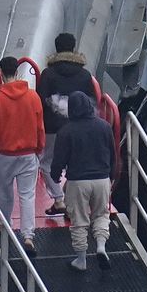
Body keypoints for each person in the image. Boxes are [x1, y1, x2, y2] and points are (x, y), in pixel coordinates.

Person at [0, 56, 45, 256]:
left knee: (4, 193)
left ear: (1, 73)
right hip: (28, 153)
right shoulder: (33, 97)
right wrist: (39, 148)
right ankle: (28, 236)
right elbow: (39, 127)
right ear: (18, 72)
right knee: (27, 195)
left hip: (4, 154)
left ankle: (5, 224)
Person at [50, 90, 115, 271]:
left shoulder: (66, 131)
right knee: (101, 214)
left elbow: (59, 159)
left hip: (78, 181)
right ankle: (101, 247)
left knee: (78, 220)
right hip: (102, 178)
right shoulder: (104, 126)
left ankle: (81, 259)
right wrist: (112, 175)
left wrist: (55, 176)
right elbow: (112, 153)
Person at [37, 32, 97, 216]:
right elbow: (92, 100)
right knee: (75, 163)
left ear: (56, 48)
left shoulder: (48, 74)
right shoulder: (85, 75)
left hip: (53, 128)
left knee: (46, 164)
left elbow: (40, 101)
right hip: (79, 128)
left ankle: (58, 200)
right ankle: (70, 199)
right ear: (73, 48)